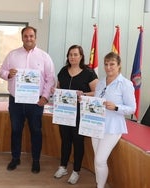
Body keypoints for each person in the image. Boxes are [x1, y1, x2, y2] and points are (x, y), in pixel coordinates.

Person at [0, 26, 55, 174]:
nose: (28, 38)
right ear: (22, 37)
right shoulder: (12, 55)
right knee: (16, 130)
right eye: (26, 36)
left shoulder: (44, 57)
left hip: (36, 103)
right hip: (16, 101)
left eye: (31, 36)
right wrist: (8, 74)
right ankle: (15, 158)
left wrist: (45, 97)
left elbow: (50, 79)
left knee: (36, 131)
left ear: (35, 37)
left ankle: (36, 160)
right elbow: (1, 71)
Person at [54, 45, 98, 184]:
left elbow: (97, 92)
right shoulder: (63, 71)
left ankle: (76, 171)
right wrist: (54, 90)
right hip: (64, 112)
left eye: (75, 54)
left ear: (81, 56)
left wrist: (83, 94)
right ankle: (63, 167)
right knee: (65, 141)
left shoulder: (88, 73)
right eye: (70, 55)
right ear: (68, 57)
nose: (72, 57)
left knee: (78, 142)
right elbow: (59, 87)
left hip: (80, 114)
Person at [92, 52, 136, 188]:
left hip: (113, 127)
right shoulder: (100, 83)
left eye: (112, 64)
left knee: (100, 160)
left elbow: (132, 108)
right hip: (97, 125)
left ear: (118, 65)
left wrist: (116, 107)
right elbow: (96, 101)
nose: (108, 67)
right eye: (106, 64)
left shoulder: (125, 84)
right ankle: (100, 184)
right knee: (97, 160)